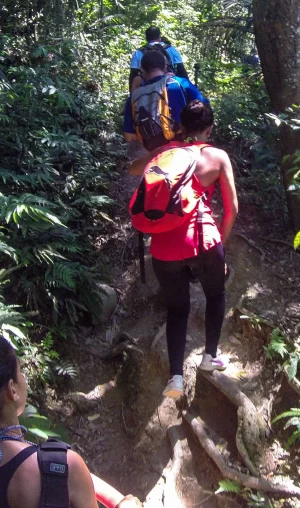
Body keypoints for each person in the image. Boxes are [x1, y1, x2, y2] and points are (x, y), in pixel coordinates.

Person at [0, 334, 140, 508]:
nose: (24, 378)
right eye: (20, 371)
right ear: (12, 390)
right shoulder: (67, 464)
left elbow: (1, 478)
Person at [129, 100, 238, 399]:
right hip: (203, 240)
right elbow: (232, 210)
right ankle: (209, 358)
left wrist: (157, 152)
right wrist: (221, 247)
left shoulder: (166, 154)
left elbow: (133, 169)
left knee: (177, 309)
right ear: (209, 128)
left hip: (163, 247)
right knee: (215, 295)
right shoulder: (216, 157)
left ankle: (175, 378)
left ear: (182, 125)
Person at [122, 49, 208, 148]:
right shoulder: (180, 83)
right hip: (184, 146)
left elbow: (129, 137)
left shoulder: (134, 96)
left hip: (153, 152)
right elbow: (205, 108)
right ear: (165, 67)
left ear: (142, 71)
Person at [129, 26, 188, 92]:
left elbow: (133, 75)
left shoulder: (138, 53)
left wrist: (131, 97)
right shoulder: (171, 50)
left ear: (146, 38)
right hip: (169, 85)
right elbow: (181, 70)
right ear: (159, 37)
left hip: (146, 89)